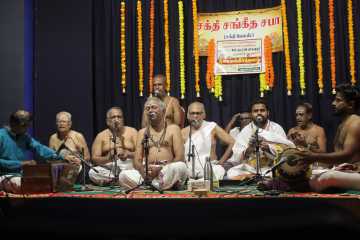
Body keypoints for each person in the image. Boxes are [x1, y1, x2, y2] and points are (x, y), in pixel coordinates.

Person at [119, 97, 188, 190]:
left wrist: (161, 169)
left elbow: (180, 157)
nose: (150, 110)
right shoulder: (142, 133)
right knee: (123, 175)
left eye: (153, 107)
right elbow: (137, 160)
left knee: (180, 166)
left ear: (163, 110)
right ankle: (158, 184)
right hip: (148, 172)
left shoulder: (173, 129)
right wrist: (144, 172)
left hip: (167, 169)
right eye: (147, 108)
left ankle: (151, 185)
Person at [0, 110, 78, 193]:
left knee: (48, 184)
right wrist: (21, 164)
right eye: (24, 125)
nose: (27, 128)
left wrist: (62, 156)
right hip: (4, 175)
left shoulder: (23, 137)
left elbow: (40, 148)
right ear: (14, 124)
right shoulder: (1, 136)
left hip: (21, 175)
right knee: (27, 185)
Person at [301, 84, 360, 192]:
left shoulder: (355, 123)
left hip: (356, 173)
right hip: (343, 171)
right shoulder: (343, 124)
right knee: (310, 173)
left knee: (326, 178)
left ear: (350, 105)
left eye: (338, 100)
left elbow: (346, 156)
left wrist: (314, 157)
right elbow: (337, 158)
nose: (333, 103)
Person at [227, 99, 295, 179]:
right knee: (231, 173)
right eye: (256, 111)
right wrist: (250, 148)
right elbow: (237, 155)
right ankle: (254, 177)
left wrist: (269, 147)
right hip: (251, 169)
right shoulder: (246, 131)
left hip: (271, 167)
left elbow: (286, 150)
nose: (259, 113)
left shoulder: (276, 128)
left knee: (278, 174)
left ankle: (255, 178)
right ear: (251, 114)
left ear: (268, 113)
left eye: (262, 110)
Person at [181, 101, 235, 180]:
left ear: (204, 115)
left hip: (210, 167)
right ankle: (197, 183)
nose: (195, 116)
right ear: (188, 115)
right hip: (190, 170)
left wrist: (221, 162)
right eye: (192, 113)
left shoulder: (212, 127)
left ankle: (199, 184)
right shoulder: (182, 132)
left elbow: (232, 142)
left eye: (198, 113)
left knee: (218, 170)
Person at [89, 107, 137, 186]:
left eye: (119, 117)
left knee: (136, 170)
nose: (116, 120)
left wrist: (128, 154)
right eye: (113, 117)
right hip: (111, 167)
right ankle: (121, 180)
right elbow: (94, 159)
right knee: (92, 172)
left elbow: (142, 153)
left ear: (123, 119)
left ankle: (115, 181)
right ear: (108, 121)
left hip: (129, 166)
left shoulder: (132, 132)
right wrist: (108, 158)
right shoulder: (101, 136)